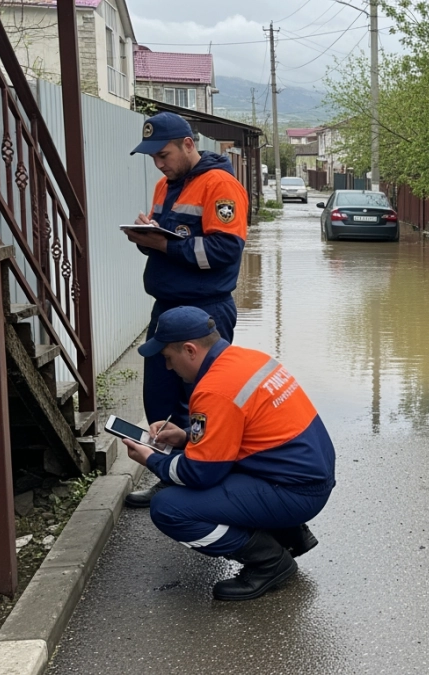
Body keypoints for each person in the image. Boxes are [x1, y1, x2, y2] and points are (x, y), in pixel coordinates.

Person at [121, 306, 336, 601]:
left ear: (189, 350)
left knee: (169, 508)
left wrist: (152, 458)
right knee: (215, 479)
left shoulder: (213, 390)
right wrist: (185, 438)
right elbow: (240, 435)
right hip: (306, 476)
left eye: (168, 358)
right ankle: (287, 532)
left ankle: (268, 562)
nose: (168, 368)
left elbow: (198, 473)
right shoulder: (248, 359)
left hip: (295, 491)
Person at [124, 111, 249, 508]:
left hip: (204, 310)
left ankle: (204, 479)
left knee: (203, 400)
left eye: (164, 155)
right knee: (160, 397)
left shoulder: (220, 185)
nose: (159, 165)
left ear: (188, 145)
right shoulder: (166, 185)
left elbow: (226, 250)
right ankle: (169, 473)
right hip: (168, 307)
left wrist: (163, 245)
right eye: (153, 158)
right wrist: (147, 237)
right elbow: (170, 240)